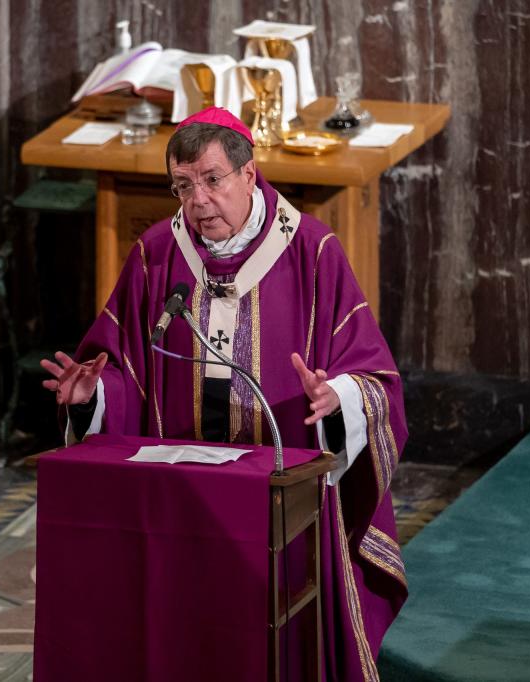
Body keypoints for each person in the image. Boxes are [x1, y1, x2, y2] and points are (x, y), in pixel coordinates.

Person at [41, 106, 407, 681]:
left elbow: (375, 378)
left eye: (212, 180)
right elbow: (123, 366)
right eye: (183, 186)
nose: (198, 201)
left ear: (249, 174)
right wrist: (94, 395)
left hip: (283, 488)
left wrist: (339, 398)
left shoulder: (311, 250)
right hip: (182, 483)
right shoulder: (158, 252)